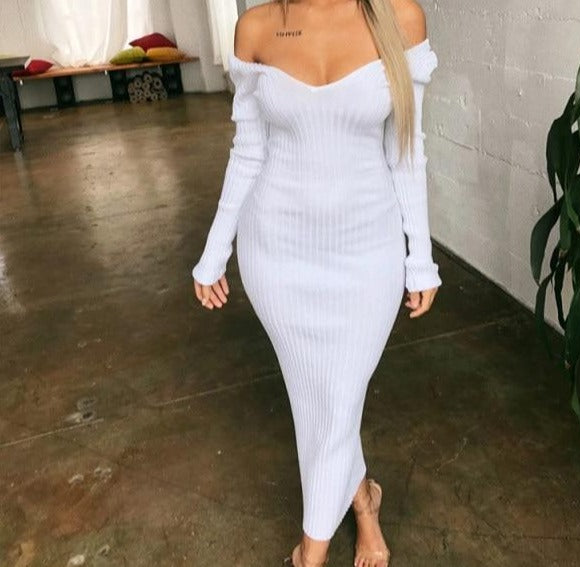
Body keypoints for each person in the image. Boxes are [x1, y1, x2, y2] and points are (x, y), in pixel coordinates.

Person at [192, 0, 441, 565]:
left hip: (368, 252)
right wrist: (214, 250)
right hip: (276, 253)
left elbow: (407, 152)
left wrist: (420, 258)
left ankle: (313, 550)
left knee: (337, 397)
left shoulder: (399, 18)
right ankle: (361, 509)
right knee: (320, 400)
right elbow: (247, 150)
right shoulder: (256, 27)